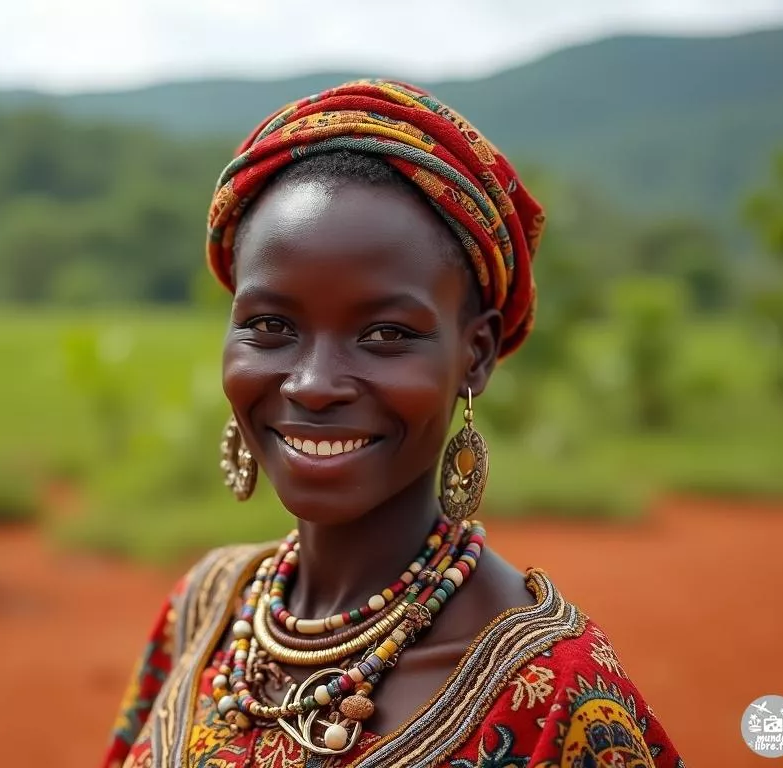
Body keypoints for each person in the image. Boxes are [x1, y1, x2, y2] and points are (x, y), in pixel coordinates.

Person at [100, 79, 683, 768]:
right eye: (270, 325)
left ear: (477, 354)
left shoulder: (561, 700)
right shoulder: (203, 612)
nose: (314, 385)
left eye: (384, 334)